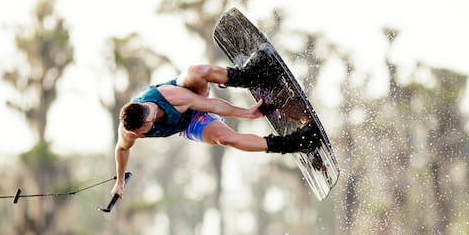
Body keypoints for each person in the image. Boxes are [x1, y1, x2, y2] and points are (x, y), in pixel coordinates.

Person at [110, 51, 321, 201]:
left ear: (147, 121)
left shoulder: (172, 97)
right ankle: (297, 142)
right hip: (188, 124)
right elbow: (121, 149)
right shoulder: (129, 131)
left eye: (140, 133)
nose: (138, 137)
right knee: (227, 139)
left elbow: (212, 105)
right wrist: (119, 182)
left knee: (195, 71)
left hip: (192, 96)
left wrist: (245, 113)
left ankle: (248, 75)